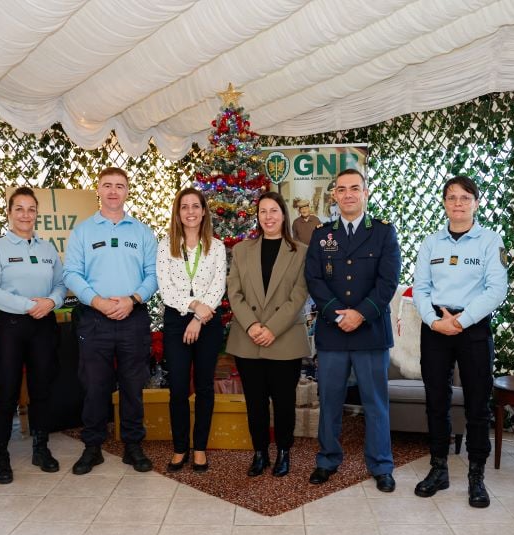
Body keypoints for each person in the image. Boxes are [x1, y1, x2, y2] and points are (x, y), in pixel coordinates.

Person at [412, 175, 508, 507]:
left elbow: (497, 289)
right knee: (435, 401)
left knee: (478, 404)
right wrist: (435, 321)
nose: (458, 203)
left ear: (476, 203)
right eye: (451, 197)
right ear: (444, 203)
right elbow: (420, 288)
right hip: (436, 329)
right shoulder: (431, 243)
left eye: (465, 197)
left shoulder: (489, 241)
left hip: (474, 328)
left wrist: (462, 321)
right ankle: (438, 469)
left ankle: (476, 476)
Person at [305, 168, 401, 492]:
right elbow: (314, 279)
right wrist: (336, 314)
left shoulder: (384, 233)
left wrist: (359, 315)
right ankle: (327, 459)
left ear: (365, 193)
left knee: (375, 402)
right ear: (334, 195)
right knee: (329, 400)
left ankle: (381, 464)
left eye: (354, 188)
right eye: (342, 189)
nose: (348, 194)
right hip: (333, 332)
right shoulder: (322, 235)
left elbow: (388, 282)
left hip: (370, 331)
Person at [63, 167, 158, 474]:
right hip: (95, 319)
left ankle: (133, 446)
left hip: (133, 317)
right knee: (94, 386)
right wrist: (98, 301)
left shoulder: (142, 232)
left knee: (133, 385)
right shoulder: (83, 231)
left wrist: (132, 300)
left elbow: (154, 275)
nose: (114, 191)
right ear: (99, 191)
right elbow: (71, 274)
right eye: (108, 185)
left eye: (120, 186)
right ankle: (93, 447)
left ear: (127, 191)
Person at [0, 186, 67, 483]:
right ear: (9, 213)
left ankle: (40, 448)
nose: (25, 214)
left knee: (43, 388)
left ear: (36, 214)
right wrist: (28, 305)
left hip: (43, 325)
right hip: (11, 327)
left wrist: (51, 302)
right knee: (6, 391)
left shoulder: (47, 249)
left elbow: (60, 285)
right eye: (19, 208)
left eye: (31, 209)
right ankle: (0, 454)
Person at [227, 191, 311, 477]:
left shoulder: (300, 251)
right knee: (255, 402)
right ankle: (260, 452)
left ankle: (284, 452)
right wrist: (252, 325)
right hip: (248, 339)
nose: (268, 217)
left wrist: (271, 328)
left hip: (284, 337)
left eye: (273, 210)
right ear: (257, 216)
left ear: (283, 214)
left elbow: (299, 294)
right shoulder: (241, 250)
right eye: (263, 211)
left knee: (285, 401)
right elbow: (234, 292)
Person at [156, 188, 227, 472]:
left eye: (195, 206)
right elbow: (166, 289)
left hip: (208, 323)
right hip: (176, 322)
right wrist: (193, 306)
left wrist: (199, 318)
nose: (190, 212)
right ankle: (179, 447)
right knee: (178, 388)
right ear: (177, 213)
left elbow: (218, 285)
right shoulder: (165, 246)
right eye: (184, 207)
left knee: (205, 387)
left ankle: (199, 448)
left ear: (204, 211)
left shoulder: (217, 247)